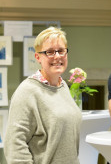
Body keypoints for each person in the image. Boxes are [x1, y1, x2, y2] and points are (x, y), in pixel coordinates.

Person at [4, 27, 82, 164]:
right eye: (50, 52)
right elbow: (14, 146)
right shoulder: (27, 92)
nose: (57, 56)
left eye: (61, 51)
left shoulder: (62, 86)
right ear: (38, 57)